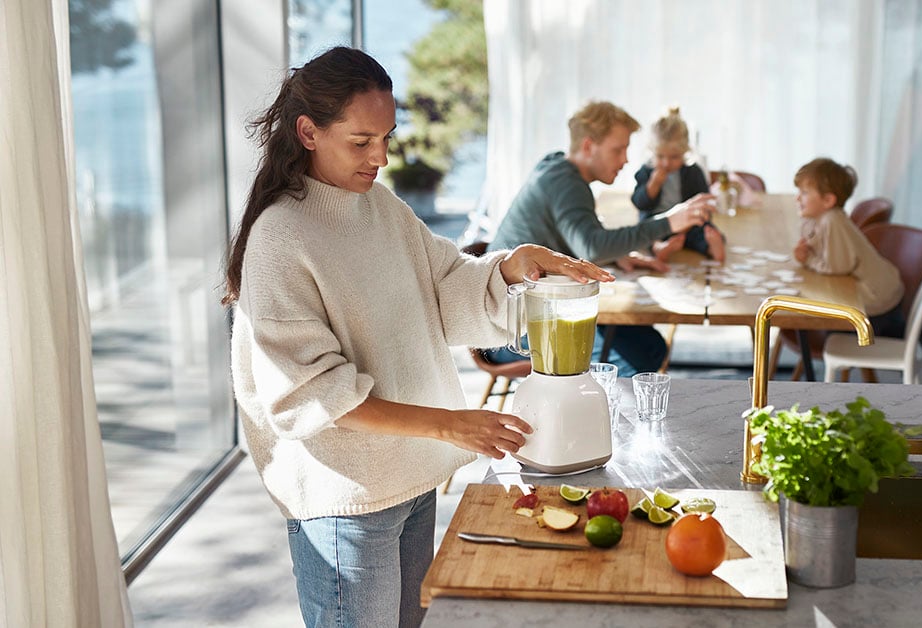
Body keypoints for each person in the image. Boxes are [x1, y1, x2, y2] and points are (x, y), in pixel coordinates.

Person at [223, 47, 611, 628]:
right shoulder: (281, 236)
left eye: (387, 137)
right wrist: (447, 422)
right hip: (346, 502)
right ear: (308, 132)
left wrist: (510, 266)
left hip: (410, 476)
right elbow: (309, 393)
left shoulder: (378, 205)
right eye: (361, 142)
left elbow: (442, 284)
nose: (380, 157)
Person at [486, 101, 715, 376]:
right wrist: (668, 222)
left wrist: (617, 253)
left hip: (530, 313)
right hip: (513, 332)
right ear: (587, 146)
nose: (626, 160)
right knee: (640, 356)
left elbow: (578, 234)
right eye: (618, 149)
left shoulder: (557, 168)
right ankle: (604, 415)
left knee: (647, 344)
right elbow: (592, 247)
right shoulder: (566, 184)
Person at [792, 157, 905, 335]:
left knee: (810, 302)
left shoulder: (832, 220)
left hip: (876, 305)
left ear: (828, 200)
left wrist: (808, 260)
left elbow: (835, 267)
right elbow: (813, 239)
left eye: (805, 192)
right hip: (877, 292)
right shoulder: (822, 217)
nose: (798, 197)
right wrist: (807, 250)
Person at [631, 107, 726, 263]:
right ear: (652, 152)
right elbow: (639, 203)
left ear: (685, 152)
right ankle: (659, 248)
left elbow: (704, 201)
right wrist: (653, 185)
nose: (666, 163)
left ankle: (712, 247)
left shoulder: (693, 172)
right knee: (643, 231)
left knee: (705, 231)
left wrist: (691, 222)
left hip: (688, 223)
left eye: (674, 157)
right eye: (660, 156)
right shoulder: (647, 171)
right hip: (657, 222)